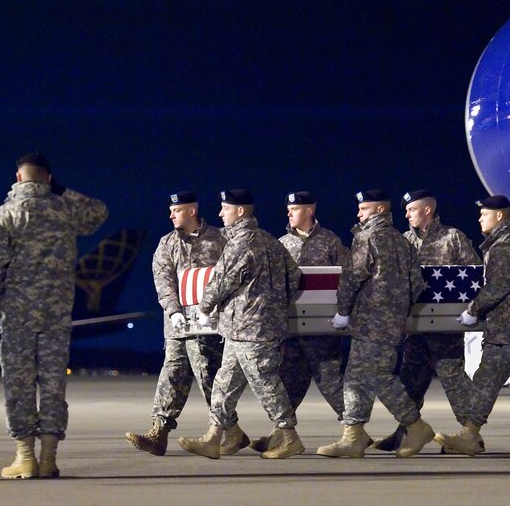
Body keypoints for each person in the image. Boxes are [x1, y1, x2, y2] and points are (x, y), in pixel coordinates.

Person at [0, 153, 108, 479]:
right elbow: (99, 212)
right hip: (56, 313)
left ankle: (25, 458)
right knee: (53, 385)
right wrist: (63, 192)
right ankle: (49, 458)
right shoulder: (64, 209)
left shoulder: (6, 213)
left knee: (19, 386)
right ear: (48, 179)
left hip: (17, 314)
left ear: (18, 177)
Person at [178, 189, 305, 459]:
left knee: (265, 382)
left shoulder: (241, 243)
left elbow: (222, 281)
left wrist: (204, 308)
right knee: (224, 383)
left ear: (241, 212)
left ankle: (289, 436)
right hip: (246, 328)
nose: (221, 213)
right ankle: (213, 438)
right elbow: (294, 277)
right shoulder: (270, 240)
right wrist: (275, 304)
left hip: (251, 328)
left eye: (225, 208)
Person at [126, 191, 247, 456]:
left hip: (212, 326)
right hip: (178, 326)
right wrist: (173, 312)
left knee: (209, 376)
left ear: (192, 211)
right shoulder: (167, 244)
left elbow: (232, 277)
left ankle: (232, 431)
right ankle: (159, 432)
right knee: (172, 372)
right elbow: (163, 281)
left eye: (176, 210)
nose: (171, 215)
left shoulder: (222, 239)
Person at [317, 190, 434, 459]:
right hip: (393, 324)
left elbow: (351, 278)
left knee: (377, 377)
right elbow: (417, 284)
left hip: (370, 323)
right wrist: (398, 308)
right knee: (356, 379)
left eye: (365, 209)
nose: (359, 214)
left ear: (380, 210)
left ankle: (416, 426)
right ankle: (354, 436)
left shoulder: (366, 238)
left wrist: (343, 312)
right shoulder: (403, 242)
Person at [435, 195, 510, 457]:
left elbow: (497, 286)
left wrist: (472, 310)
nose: (479, 218)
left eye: (484, 214)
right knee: (485, 382)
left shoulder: (502, 247)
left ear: (500, 216)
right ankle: (470, 434)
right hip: (506, 330)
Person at [374, 189, 482, 452]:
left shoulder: (452, 238)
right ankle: (405, 432)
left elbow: (474, 275)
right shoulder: (403, 241)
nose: (407, 215)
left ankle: (471, 434)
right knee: (410, 380)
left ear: (427, 210)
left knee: (452, 378)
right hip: (415, 324)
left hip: (445, 325)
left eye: (411, 210)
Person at [248, 191, 348, 453]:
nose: (289, 213)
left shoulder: (330, 242)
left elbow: (346, 280)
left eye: (295, 208)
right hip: (290, 327)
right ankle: (280, 434)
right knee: (289, 382)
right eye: (288, 208)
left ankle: (353, 429)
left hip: (322, 329)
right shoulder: (280, 244)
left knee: (330, 382)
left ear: (310, 210)